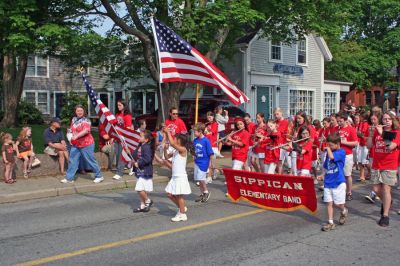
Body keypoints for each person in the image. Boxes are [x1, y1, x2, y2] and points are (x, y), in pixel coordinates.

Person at [366, 112, 400, 227]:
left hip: (390, 165)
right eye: (385, 119)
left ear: (393, 120)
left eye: (389, 119)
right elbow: (369, 146)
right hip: (377, 164)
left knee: (386, 189)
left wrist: (382, 133)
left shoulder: (396, 133)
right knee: (376, 189)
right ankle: (387, 201)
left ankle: (385, 215)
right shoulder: (376, 131)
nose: (386, 121)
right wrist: (371, 134)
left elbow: (390, 147)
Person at [61, 105, 104, 184]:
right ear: (75, 111)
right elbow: (71, 130)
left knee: (90, 160)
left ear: (84, 111)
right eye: (78, 111)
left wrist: (76, 136)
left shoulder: (86, 120)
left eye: (81, 110)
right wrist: (70, 136)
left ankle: (99, 176)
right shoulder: (74, 119)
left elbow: (86, 130)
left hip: (87, 144)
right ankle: (69, 178)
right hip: (76, 144)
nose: (79, 112)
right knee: (72, 160)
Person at [318, 133, 348, 231]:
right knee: (329, 203)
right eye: (328, 145)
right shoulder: (329, 153)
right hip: (328, 182)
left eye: (331, 145)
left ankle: (343, 210)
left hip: (338, 181)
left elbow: (332, 158)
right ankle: (330, 222)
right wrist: (322, 176)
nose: (329, 147)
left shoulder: (341, 152)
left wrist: (328, 149)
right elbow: (327, 168)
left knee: (338, 204)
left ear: (338, 144)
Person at [164, 129, 191, 222]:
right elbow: (167, 157)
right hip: (174, 177)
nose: (174, 140)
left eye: (176, 139)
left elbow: (172, 143)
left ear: (179, 141)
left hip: (180, 176)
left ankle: (182, 214)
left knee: (179, 196)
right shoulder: (176, 151)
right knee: (169, 194)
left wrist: (167, 132)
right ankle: (182, 208)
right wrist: (165, 148)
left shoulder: (183, 150)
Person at [337, 112, 359, 201]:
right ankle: (339, 191)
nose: (339, 123)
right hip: (337, 154)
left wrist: (344, 142)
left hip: (347, 155)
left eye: (341, 121)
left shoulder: (351, 129)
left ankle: (349, 192)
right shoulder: (337, 129)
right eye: (338, 121)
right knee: (337, 174)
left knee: (347, 174)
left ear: (346, 121)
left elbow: (355, 143)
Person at [132, 130, 155, 213]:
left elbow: (148, 159)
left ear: (146, 140)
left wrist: (139, 163)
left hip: (145, 171)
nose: (139, 137)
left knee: (139, 189)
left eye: (141, 136)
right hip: (139, 171)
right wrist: (129, 153)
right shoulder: (140, 145)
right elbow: (135, 155)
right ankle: (142, 205)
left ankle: (148, 201)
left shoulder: (146, 147)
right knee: (143, 189)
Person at [192, 122, 214, 203]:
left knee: (201, 179)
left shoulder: (206, 141)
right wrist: (193, 154)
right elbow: (193, 150)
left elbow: (210, 153)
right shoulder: (195, 140)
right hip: (197, 162)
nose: (194, 133)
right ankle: (202, 194)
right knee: (199, 179)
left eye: (195, 131)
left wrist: (211, 164)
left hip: (204, 162)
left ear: (200, 131)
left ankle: (206, 192)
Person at [113, 100, 133, 180]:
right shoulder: (117, 114)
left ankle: (119, 173)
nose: (118, 107)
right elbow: (115, 125)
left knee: (121, 155)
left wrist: (123, 136)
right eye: (117, 105)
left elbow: (128, 127)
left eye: (120, 105)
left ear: (124, 105)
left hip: (124, 138)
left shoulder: (127, 116)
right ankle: (130, 165)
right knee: (118, 154)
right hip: (117, 137)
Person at [274, 108, 291, 174]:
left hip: (284, 144)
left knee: (284, 163)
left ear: (281, 113)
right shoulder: (275, 122)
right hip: (276, 144)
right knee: (278, 163)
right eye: (275, 114)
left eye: (277, 114)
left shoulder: (286, 122)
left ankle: (282, 176)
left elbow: (281, 132)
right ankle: (280, 176)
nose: (276, 116)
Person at [356, 112, 370, 182]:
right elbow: (359, 133)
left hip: (365, 144)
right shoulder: (360, 124)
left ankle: (369, 172)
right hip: (361, 143)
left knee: (365, 161)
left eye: (360, 117)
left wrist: (359, 134)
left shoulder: (366, 124)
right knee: (360, 161)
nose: (359, 118)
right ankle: (362, 176)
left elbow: (361, 134)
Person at [205, 111, 219, 181]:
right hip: (207, 144)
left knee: (211, 162)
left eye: (210, 117)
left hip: (213, 145)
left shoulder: (215, 124)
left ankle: (209, 176)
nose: (209, 119)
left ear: (213, 117)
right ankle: (213, 173)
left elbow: (211, 133)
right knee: (209, 162)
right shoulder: (207, 124)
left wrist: (206, 132)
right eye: (208, 117)